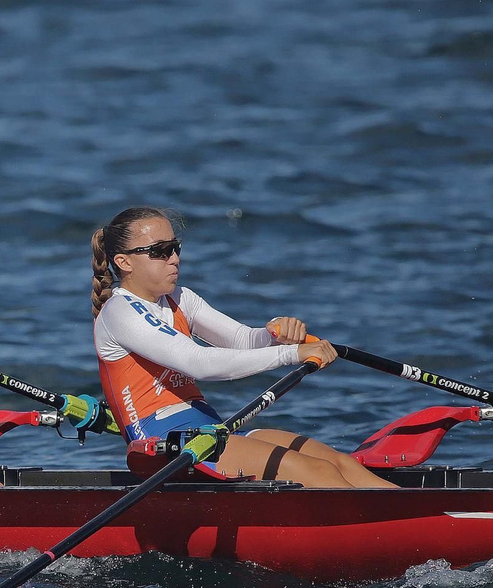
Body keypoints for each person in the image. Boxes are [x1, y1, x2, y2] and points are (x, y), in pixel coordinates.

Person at [90, 206, 395, 488]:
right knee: (316, 473)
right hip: (165, 447)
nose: (175, 258)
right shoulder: (120, 313)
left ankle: (425, 517)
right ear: (124, 262)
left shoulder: (180, 298)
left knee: (337, 462)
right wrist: (290, 354)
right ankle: (389, 533)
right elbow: (199, 363)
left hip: (210, 431)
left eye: (175, 247)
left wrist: (275, 334)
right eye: (160, 251)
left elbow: (243, 340)